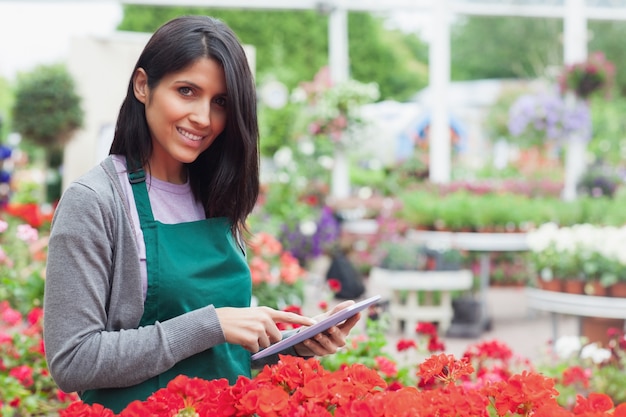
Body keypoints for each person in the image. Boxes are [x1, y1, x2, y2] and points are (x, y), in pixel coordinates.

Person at [43, 15, 360, 413]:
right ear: (143, 86)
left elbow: (219, 355)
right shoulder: (95, 201)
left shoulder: (215, 195)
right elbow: (72, 360)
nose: (204, 118)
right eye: (187, 91)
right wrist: (210, 324)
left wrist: (296, 345)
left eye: (221, 102)